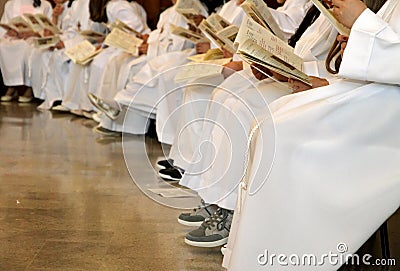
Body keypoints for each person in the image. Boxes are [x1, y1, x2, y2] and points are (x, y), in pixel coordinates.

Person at [224, 0, 400, 270]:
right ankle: (269, 249)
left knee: (284, 134)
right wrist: (357, 41)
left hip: (388, 121)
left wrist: (363, 22)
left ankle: (289, 256)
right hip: (375, 99)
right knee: (274, 119)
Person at [0, 0, 53, 102]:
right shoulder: (11, 4)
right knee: (3, 46)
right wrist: (11, 31)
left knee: (25, 46)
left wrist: (33, 32)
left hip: (33, 37)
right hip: (15, 37)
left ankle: (30, 87)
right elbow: (5, 24)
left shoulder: (45, 5)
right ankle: (12, 84)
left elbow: (48, 26)